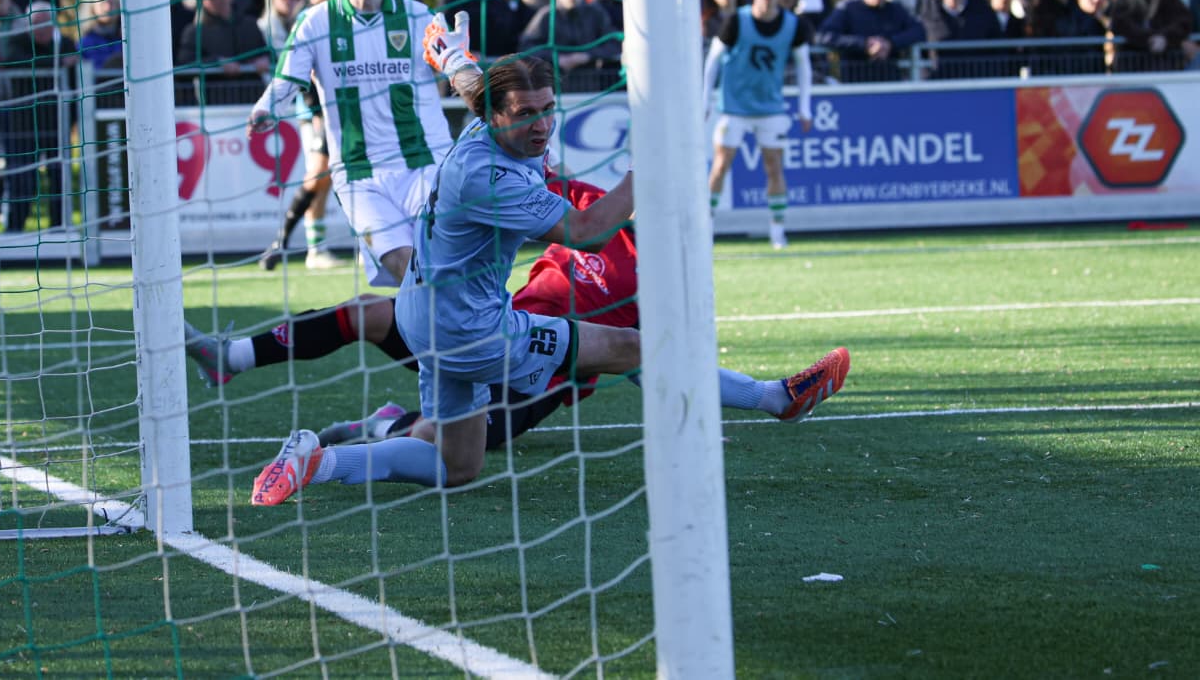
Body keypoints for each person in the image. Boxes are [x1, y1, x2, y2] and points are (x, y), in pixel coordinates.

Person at [247, 55, 849, 505]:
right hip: (473, 328)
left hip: (426, 315)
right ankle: (773, 398)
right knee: (630, 348)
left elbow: (472, 87)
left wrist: (454, 59)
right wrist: (648, 169)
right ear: (494, 118)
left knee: (458, 467)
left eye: (548, 109)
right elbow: (586, 229)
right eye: (526, 114)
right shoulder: (489, 176)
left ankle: (315, 462)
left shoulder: (485, 129)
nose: (540, 126)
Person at [185, 172, 846, 451]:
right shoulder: (589, 203)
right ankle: (231, 358)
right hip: (481, 326)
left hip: (532, 385)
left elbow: (662, 369)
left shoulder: (659, 288)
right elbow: (526, 173)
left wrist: (765, 395)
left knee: (443, 445)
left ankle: (373, 431)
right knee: (371, 312)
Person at [249, 0, 460, 286]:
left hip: (426, 166)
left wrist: (466, 71)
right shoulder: (314, 23)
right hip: (360, 176)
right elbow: (286, 78)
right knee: (404, 267)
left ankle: (461, 336)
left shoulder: (420, 18)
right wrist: (267, 106)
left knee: (444, 268)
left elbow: (455, 67)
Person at [705, 0, 813, 249]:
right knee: (720, 165)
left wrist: (805, 106)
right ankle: (706, 228)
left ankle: (777, 232)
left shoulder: (793, 25)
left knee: (774, 167)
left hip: (770, 108)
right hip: (733, 107)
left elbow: (804, 65)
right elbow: (713, 60)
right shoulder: (737, 21)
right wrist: (706, 100)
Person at [256, 0, 345, 271]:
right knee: (319, 176)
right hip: (317, 115)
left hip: (345, 114)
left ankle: (310, 248)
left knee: (326, 179)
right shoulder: (308, 20)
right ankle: (295, 245)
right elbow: (300, 70)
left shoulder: (344, 17)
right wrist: (316, 113)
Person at [1, 2, 79, 231]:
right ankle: (14, 229)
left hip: (58, 123)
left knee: (59, 178)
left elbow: (74, 80)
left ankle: (60, 227)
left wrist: (73, 119)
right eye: (37, 23)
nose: (42, 28)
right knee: (22, 180)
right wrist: (58, 64)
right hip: (24, 125)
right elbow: (17, 62)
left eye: (46, 22)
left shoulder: (65, 43)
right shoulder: (18, 42)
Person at [815, 0, 925, 82]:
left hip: (890, 84)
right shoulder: (847, 9)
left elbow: (919, 31)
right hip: (855, 86)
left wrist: (890, 44)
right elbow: (824, 36)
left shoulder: (896, 10)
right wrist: (864, 44)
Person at [518, 0, 621, 84]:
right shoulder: (546, 16)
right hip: (555, 86)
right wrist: (556, 59)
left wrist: (588, 55)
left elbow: (614, 43)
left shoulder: (595, 13)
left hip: (590, 85)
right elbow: (526, 47)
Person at [177, 0, 272, 77]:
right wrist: (217, 62)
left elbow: (266, 52)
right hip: (214, 91)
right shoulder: (194, 31)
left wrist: (264, 59)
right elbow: (185, 63)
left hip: (251, 90)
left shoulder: (250, 24)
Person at [919, 0, 1003, 80]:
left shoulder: (985, 15)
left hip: (977, 84)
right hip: (939, 86)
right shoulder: (927, 17)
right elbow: (921, 55)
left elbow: (997, 50)